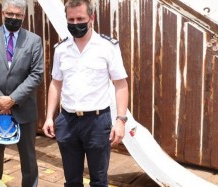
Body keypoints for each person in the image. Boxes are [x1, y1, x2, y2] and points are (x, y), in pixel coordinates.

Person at [42, 0, 129, 186]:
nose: (75, 23)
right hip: (68, 121)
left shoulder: (108, 47)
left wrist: (120, 120)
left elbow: (120, 84)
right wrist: (50, 117)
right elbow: (56, 83)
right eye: (71, 19)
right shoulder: (61, 50)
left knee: (99, 180)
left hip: (98, 122)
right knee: (72, 180)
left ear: (92, 18)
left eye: (80, 18)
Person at [0, 0, 44, 186]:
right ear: (3, 14)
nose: (13, 18)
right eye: (10, 14)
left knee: (29, 160)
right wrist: (0, 100)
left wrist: (13, 99)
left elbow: (37, 74)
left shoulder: (34, 40)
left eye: (17, 15)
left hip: (24, 109)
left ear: (23, 16)